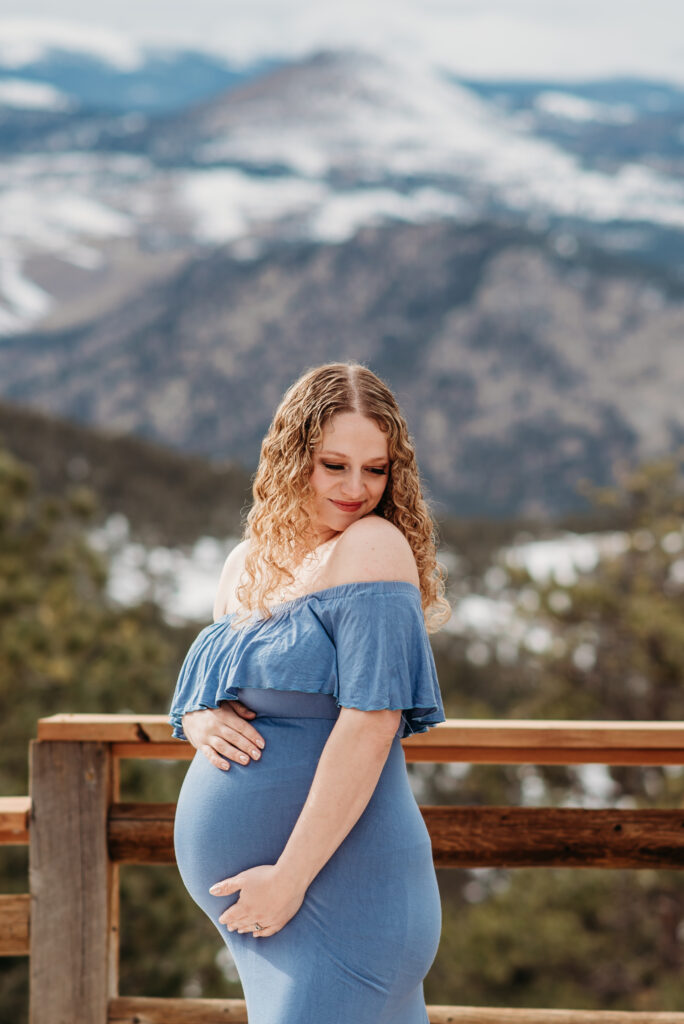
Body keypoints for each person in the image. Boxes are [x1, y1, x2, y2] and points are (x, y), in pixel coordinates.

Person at [169, 360, 451, 1024]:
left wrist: (289, 880)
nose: (358, 489)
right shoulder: (248, 564)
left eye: (376, 470)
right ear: (294, 458)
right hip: (272, 914)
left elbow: (371, 722)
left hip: (338, 891)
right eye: (335, 465)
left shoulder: (374, 547)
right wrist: (201, 716)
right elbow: (226, 691)